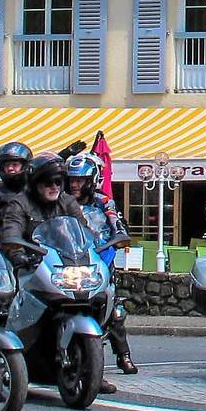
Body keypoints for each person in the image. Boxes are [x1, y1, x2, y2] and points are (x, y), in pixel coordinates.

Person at [66, 152, 137, 377]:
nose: (75, 185)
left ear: (92, 180)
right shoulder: (62, 202)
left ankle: (123, 354)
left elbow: (116, 222)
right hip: (71, 257)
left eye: (80, 180)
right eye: (72, 180)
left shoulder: (103, 201)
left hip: (99, 256)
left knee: (113, 307)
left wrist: (119, 234)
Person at [0, 140, 33, 224]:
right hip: (4, 232)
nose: (10, 168)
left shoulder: (34, 191)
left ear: (25, 166)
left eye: (15, 165)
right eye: (7, 165)